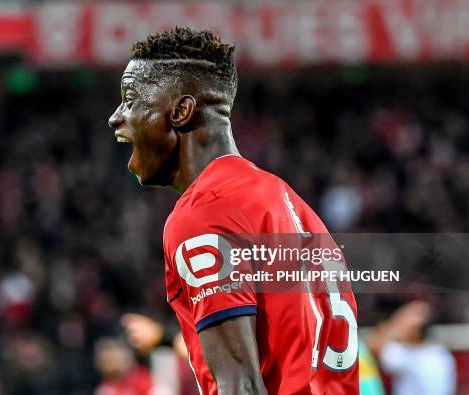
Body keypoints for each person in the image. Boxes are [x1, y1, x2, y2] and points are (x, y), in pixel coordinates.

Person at [109, 27, 359, 394]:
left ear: (181, 111)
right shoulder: (286, 201)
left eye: (131, 99)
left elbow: (240, 386)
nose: (116, 117)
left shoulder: (204, 211)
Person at [366, 300, 456, 395]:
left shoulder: (409, 355)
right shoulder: (441, 353)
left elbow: (372, 344)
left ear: (416, 331)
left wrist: (399, 320)